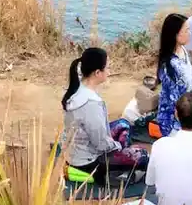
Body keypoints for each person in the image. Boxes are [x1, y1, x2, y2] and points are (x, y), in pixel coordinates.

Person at [60, 46, 148, 185]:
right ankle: (103, 173)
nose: (109, 71)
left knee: (123, 124)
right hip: (87, 162)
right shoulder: (90, 104)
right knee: (142, 156)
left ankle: (120, 155)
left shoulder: (78, 88)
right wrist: (118, 147)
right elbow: (100, 143)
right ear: (97, 72)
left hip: (78, 150)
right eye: (107, 68)